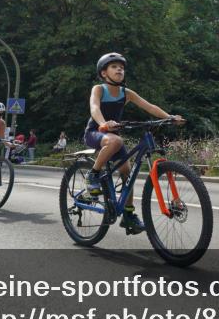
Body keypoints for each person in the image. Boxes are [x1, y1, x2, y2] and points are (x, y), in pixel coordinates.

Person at [78, 53, 184, 234]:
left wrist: (170, 117)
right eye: (114, 67)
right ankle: (93, 175)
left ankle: (128, 215)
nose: (120, 69)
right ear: (104, 73)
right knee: (116, 140)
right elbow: (94, 107)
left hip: (114, 140)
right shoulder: (99, 89)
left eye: (122, 67)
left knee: (128, 173)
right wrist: (103, 123)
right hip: (96, 132)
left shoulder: (125, 93)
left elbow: (149, 106)